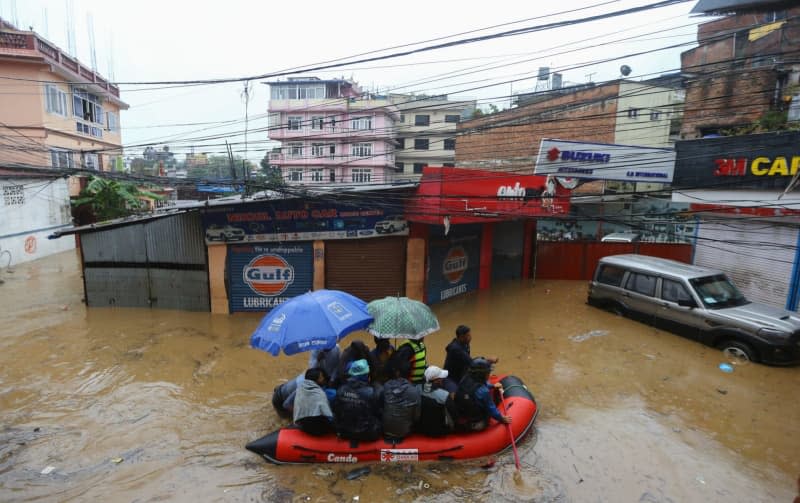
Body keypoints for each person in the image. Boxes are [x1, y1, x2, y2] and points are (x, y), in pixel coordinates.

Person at [271, 345, 341, 417]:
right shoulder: (304, 386)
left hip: (290, 389)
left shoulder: (336, 348)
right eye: (321, 378)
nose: (323, 379)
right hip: (280, 399)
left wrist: (332, 380)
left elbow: (337, 366)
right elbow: (287, 404)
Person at [454, 358, 511, 432]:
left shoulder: (465, 378)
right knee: (490, 405)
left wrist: (492, 386)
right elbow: (491, 409)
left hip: (462, 417)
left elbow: (476, 385)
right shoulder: (483, 391)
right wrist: (502, 418)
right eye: (487, 372)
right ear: (482, 374)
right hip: (477, 424)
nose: (489, 374)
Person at [332, 359, 383, 441]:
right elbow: (377, 412)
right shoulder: (372, 393)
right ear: (366, 375)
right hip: (368, 433)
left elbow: (336, 409)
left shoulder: (341, 390)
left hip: (344, 432)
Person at [443, 325, 497, 392]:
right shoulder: (456, 349)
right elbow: (471, 362)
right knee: (456, 395)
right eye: (468, 335)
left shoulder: (465, 344)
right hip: (451, 378)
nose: (470, 337)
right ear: (461, 337)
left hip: (461, 373)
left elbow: (468, 361)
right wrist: (488, 361)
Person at [382, 365, 420, 440]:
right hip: (404, 431)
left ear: (397, 373)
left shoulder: (386, 386)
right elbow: (417, 417)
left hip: (385, 428)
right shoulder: (414, 390)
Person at [417, 366, 457, 437]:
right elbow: (454, 415)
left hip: (420, 428)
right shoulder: (444, 395)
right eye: (441, 378)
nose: (442, 379)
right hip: (439, 432)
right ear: (437, 380)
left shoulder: (417, 388)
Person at [293, 368, 335, 436]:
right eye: (321, 377)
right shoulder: (319, 392)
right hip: (319, 429)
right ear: (316, 380)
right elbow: (328, 414)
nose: (323, 378)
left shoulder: (299, 390)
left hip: (302, 426)